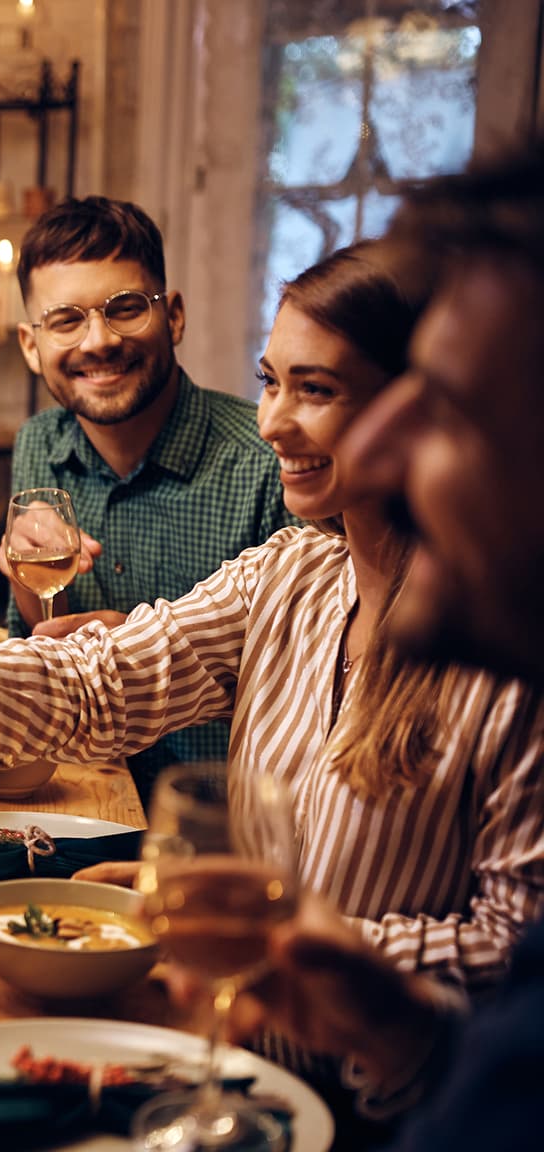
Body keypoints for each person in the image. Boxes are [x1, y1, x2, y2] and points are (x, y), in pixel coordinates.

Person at [0, 242, 544, 1072]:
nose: (274, 422)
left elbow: (513, 956)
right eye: (271, 381)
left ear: (417, 411)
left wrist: (252, 927)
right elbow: (94, 681)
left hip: (389, 1104)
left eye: (315, 390)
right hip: (219, 1051)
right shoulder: (291, 571)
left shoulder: (508, 660)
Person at [227, 143, 544, 1148]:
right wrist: (400, 1029)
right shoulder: (298, 571)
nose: (370, 451)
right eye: (269, 381)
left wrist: (285, 933)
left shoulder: (511, 688)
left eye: (451, 407)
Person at [3, 196, 295, 784]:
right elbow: (34, 646)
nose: (99, 341)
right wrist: (22, 575)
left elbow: (313, 691)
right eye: (66, 320)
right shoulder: (38, 443)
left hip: (220, 827)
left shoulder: (268, 461)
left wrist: (140, 658)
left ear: (175, 316)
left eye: (125, 308)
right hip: (81, 794)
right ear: (32, 346)